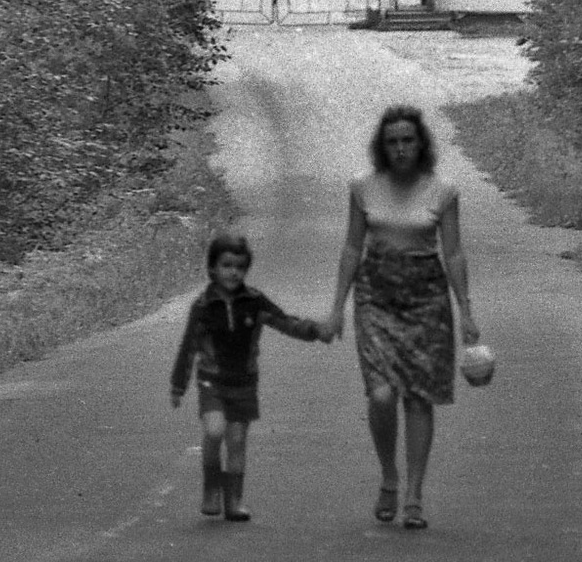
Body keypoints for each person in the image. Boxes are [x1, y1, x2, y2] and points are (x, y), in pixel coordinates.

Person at [321, 104, 480, 531]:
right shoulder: (362, 187)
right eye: (392, 141)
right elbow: (353, 247)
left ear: (421, 143)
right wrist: (337, 307)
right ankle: (389, 475)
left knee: (418, 397)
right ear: (382, 146)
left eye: (408, 139)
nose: (400, 148)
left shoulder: (442, 190)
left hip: (427, 298)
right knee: (381, 395)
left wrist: (466, 310)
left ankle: (414, 493)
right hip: (376, 296)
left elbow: (454, 251)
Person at [170, 233, 326, 521]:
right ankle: (211, 488)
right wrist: (178, 384)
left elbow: (284, 322)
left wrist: (314, 330)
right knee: (215, 431)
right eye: (226, 265)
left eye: (239, 267)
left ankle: (235, 501)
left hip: (243, 384)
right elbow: (188, 345)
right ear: (212, 269)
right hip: (212, 381)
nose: (233, 272)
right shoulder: (203, 306)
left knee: (238, 441)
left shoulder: (254, 301)